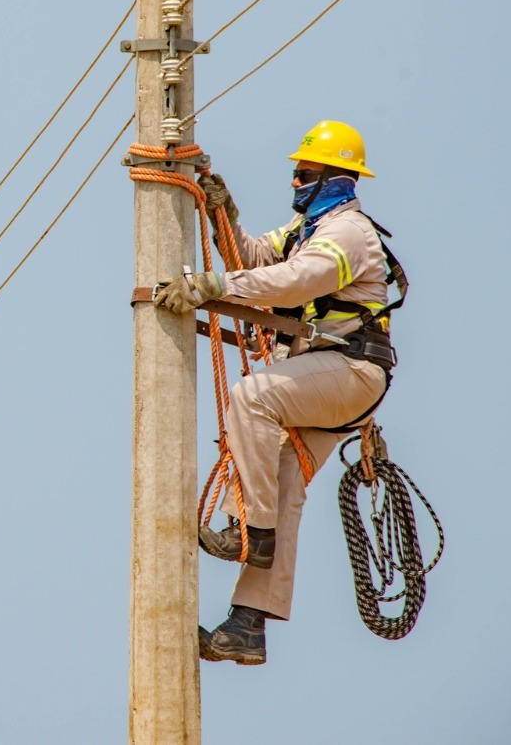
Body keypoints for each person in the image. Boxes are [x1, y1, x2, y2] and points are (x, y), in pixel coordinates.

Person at [153, 120, 404, 665]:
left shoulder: (348, 233)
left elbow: (296, 283)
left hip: (349, 370)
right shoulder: (304, 230)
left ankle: (251, 527)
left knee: (253, 397)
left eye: (305, 173)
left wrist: (212, 287)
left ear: (336, 178)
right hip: (323, 374)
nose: (295, 182)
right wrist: (225, 216)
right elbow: (251, 262)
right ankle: (248, 625)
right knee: (286, 483)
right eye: (295, 173)